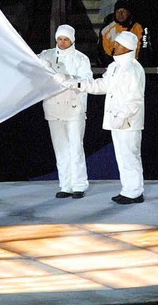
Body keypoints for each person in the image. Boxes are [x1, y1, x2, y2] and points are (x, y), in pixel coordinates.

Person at [71, 31, 146, 204]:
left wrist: (122, 116)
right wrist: (79, 84)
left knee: (130, 156)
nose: (115, 46)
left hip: (128, 122)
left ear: (128, 47)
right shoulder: (115, 67)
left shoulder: (133, 69)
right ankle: (129, 189)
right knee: (122, 156)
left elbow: (135, 99)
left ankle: (134, 191)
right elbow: (102, 85)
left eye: (119, 44)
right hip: (117, 120)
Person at [39, 25, 93, 199]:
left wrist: (68, 79)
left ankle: (79, 184)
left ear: (73, 40)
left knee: (75, 146)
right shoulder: (46, 55)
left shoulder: (80, 58)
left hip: (74, 107)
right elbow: (29, 66)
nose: (62, 43)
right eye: (60, 39)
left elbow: (87, 80)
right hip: (53, 107)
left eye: (66, 39)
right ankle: (65, 185)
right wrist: (40, 66)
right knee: (60, 148)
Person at [99, 0, 144, 66]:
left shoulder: (137, 27)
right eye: (118, 11)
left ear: (129, 12)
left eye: (123, 11)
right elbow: (103, 52)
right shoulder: (107, 29)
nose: (120, 14)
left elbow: (142, 48)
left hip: (133, 65)